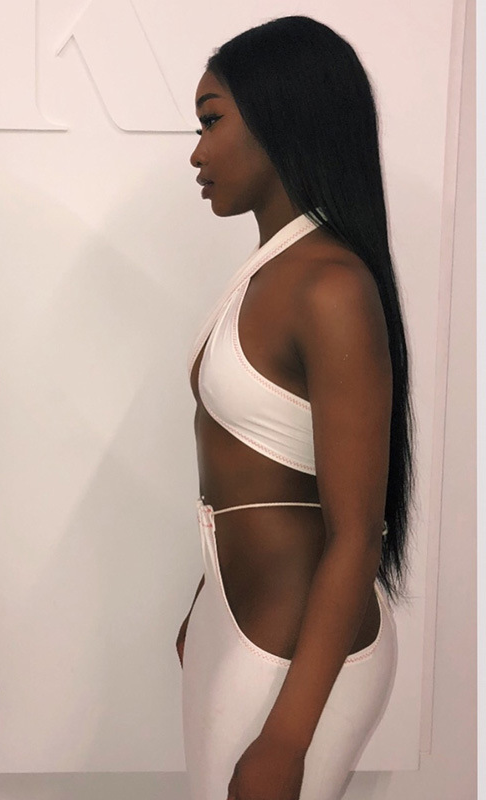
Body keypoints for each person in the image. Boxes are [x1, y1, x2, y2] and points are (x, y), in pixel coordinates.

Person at [176, 17, 412, 800]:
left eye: (211, 120)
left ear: (283, 116)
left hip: (297, 662)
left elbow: (357, 533)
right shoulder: (270, 270)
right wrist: (205, 606)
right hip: (236, 629)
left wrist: (286, 740)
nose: (197, 153)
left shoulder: (330, 287)